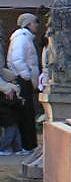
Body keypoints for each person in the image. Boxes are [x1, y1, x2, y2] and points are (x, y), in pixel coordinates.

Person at [6, 13, 40, 152]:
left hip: (25, 79)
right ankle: (27, 145)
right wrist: (26, 75)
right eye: (35, 22)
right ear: (28, 23)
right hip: (23, 80)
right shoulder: (22, 38)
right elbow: (17, 58)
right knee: (26, 113)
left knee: (28, 113)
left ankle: (28, 144)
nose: (37, 25)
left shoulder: (25, 38)